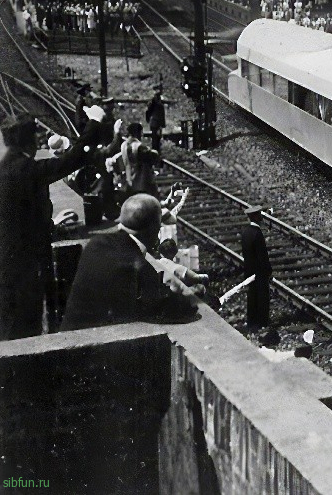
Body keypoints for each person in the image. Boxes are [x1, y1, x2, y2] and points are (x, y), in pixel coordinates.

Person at [0, 106, 105, 340]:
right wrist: (95, 124)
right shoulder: (24, 169)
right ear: (33, 140)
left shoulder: (7, 166)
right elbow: (73, 159)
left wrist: (50, 225)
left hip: (9, 260)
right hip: (23, 266)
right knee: (23, 328)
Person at [60, 194, 203, 331]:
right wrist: (195, 296)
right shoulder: (137, 266)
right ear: (154, 229)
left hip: (71, 334)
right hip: (91, 348)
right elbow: (171, 309)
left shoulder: (95, 243)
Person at [108, 122, 160, 199]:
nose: (142, 135)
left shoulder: (124, 145)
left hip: (128, 181)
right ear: (138, 133)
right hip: (141, 182)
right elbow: (153, 157)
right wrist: (154, 152)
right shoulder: (139, 146)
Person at [240, 206, 270, 329]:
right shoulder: (257, 234)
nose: (261, 217)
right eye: (259, 215)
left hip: (249, 271)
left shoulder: (245, 232)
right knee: (262, 297)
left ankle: (252, 322)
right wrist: (268, 271)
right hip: (259, 272)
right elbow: (262, 255)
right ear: (256, 217)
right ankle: (262, 322)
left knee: (252, 296)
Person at [145, 84, 166, 153]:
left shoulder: (152, 104)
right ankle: (156, 150)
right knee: (156, 138)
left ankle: (155, 150)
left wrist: (148, 119)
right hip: (156, 123)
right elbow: (162, 116)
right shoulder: (159, 106)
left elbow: (148, 112)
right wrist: (163, 124)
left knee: (155, 138)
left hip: (154, 123)